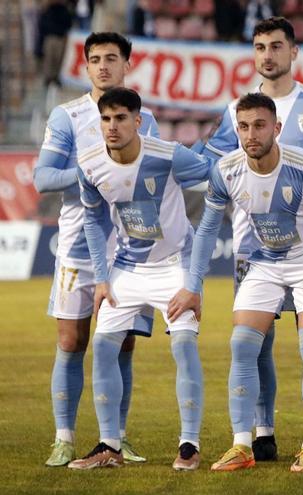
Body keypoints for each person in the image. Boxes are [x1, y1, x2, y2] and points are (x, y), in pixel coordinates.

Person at [169, 93, 303, 473]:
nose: (251, 134)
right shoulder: (226, 169)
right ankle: (242, 445)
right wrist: (193, 286)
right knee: (242, 344)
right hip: (264, 263)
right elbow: (207, 229)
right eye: (243, 126)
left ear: (276, 128)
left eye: (260, 125)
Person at [204, 16, 303, 462]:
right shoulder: (237, 108)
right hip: (254, 244)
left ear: (293, 52)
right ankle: (262, 430)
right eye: (259, 47)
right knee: (257, 339)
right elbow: (214, 161)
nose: (267, 55)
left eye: (275, 46)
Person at [68, 88, 212, 470]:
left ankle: (189, 446)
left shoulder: (168, 156)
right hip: (127, 268)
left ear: (137, 120)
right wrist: (102, 278)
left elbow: (215, 179)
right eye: (105, 119)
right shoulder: (89, 164)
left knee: (183, 348)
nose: (112, 126)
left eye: (120, 118)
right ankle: (109, 446)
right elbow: (94, 221)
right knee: (102, 348)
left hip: (175, 266)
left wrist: (194, 281)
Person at [35, 31, 158, 468]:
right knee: (71, 340)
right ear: (86, 67)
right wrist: (92, 169)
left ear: (128, 64)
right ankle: (64, 438)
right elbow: (43, 178)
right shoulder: (68, 116)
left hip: (128, 251)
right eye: (94, 59)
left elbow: (156, 180)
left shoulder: (145, 119)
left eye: (111, 58)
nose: (103, 65)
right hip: (77, 249)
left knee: (123, 344)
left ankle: (116, 439)